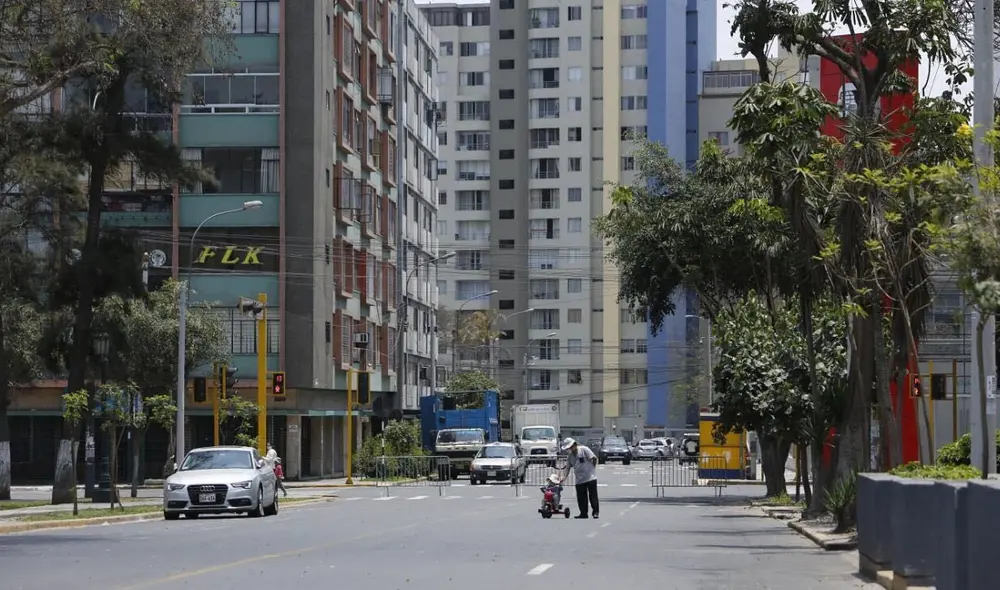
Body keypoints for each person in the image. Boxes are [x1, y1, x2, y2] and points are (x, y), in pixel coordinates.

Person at [560, 437, 599, 519]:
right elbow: (567, 468)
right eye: (568, 448)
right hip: (579, 479)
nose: (570, 449)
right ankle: (583, 513)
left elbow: (594, 458)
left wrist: (592, 468)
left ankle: (595, 512)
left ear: (574, 445)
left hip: (590, 477)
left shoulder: (584, 449)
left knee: (593, 496)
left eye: (570, 447)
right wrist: (563, 478)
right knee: (581, 498)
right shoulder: (570, 457)